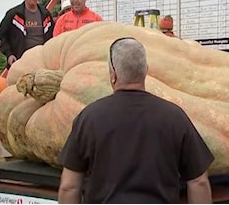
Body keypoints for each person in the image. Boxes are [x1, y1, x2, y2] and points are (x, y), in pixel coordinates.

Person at [57, 37, 214, 204]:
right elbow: (199, 182)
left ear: (113, 74)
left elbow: (69, 187)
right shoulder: (175, 117)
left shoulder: (89, 118)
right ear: (145, 70)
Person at [0, 0, 54, 67]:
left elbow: (52, 38)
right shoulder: (13, 14)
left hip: (42, 62)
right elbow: (1, 35)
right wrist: (9, 54)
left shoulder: (46, 15)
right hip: (20, 62)